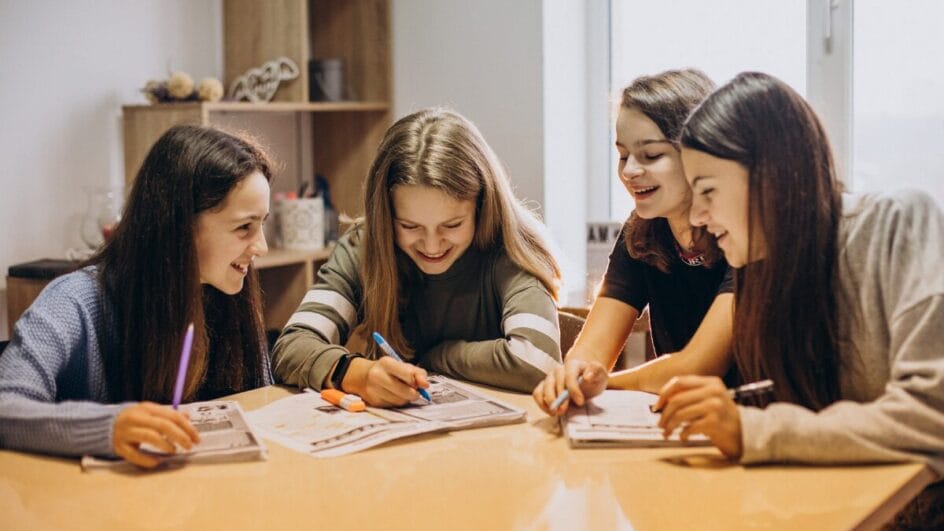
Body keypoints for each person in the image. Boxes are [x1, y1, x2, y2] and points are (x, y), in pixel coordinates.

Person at [653, 72, 944, 476]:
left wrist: (752, 430)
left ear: (771, 177)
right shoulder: (765, 268)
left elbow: (932, 416)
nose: (698, 216)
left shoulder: (898, 222)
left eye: (708, 191)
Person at [0, 125, 274, 468]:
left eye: (262, 223)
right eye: (243, 228)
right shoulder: (74, 301)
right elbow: (6, 406)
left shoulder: (228, 292)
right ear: (178, 226)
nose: (261, 247)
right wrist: (107, 428)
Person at [272, 108, 563, 406]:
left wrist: (438, 355)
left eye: (452, 225)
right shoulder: (365, 247)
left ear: (482, 205)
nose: (432, 245)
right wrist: (359, 373)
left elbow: (537, 361)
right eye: (409, 226)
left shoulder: (509, 248)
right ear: (385, 216)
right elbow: (291, 347)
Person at [533, 69, 734, 415]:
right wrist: (574, 373)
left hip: (754, 427)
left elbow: (698, 367)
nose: (629, 171)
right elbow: (591, 351)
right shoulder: (643, 231)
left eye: (651, 156)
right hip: (684, 422)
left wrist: (604, 383)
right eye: (623, 155)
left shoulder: (743, 234)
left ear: (700, 154)